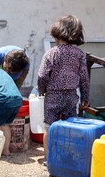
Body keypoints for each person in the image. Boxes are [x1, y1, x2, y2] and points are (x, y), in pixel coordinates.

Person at [37, 14, 90, 161]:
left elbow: (42, 75)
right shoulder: (79, 54)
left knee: (49, 127)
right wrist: (85, 97)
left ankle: (48, 159)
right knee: (70, 128)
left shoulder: (51, 53)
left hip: (53, 94)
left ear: (57, 32)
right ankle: (68, 158)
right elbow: (84, 78)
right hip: (71, 95)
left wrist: (41, 90)